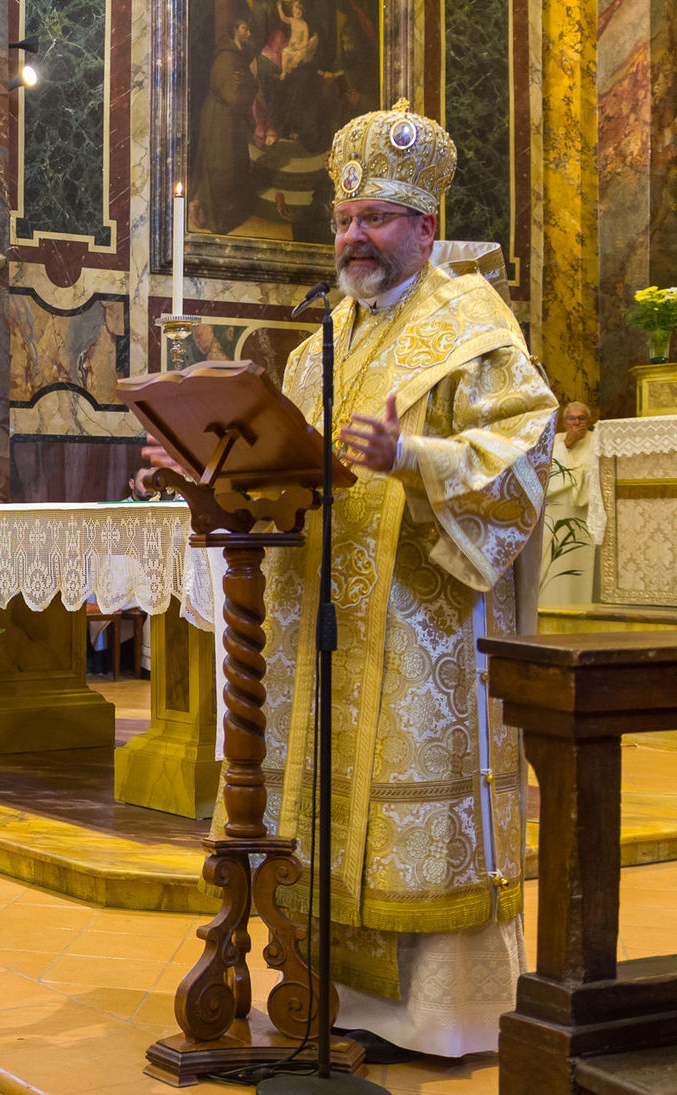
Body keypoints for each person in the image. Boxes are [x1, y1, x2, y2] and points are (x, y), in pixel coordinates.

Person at [243, 101, 557, 1060]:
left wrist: (412, 453)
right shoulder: (319, 342)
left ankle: (439, 1018)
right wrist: (207, 467)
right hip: (328, 624)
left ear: (425, 227)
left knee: (411, 805)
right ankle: (331, 996)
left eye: (375, 217)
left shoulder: (470, 324)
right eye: (343, 218)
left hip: (424, 623)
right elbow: (279, 460)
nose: (352, 236)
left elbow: (523, 455)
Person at [193, 18, 259, 234]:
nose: (249, 33)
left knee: (234, 166)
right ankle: (216, 220)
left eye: (248, 29)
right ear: (235, 31)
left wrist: (249, 80)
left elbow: (243, 90)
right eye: (245, 28)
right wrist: (251, 80)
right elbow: (233, 96)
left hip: (231, 120)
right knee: (221, 167)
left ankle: (221, 215)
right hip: (220, 120)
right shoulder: (227, 58)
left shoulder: (239, 57)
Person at [539, 401, 606, 606]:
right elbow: (541, 478)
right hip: (556, 517)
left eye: (581, 418)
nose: (576, 422)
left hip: (583, 517)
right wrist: (566, 444)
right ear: (563, 422)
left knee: (581, 568)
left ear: (589, 421)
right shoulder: (554, 442)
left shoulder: (599, 441)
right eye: (571, 418)